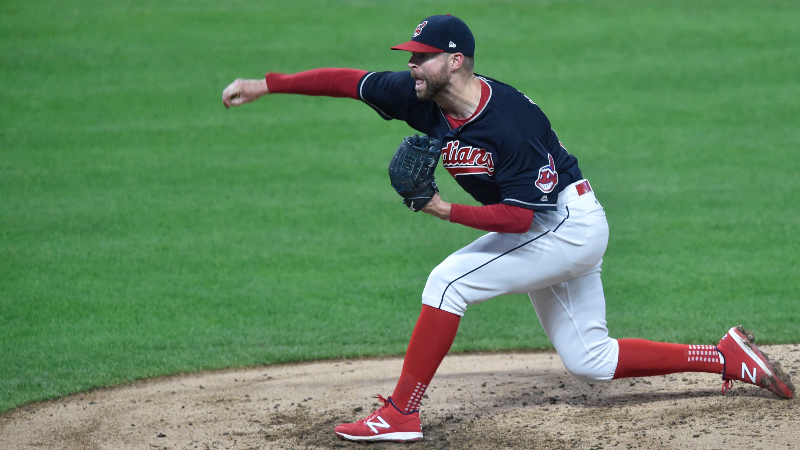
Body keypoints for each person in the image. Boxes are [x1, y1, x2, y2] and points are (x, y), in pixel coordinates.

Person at [222, 14, 795, 443]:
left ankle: (401, 412)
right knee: (589, 359)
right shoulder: (418, 93)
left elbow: (520, 219)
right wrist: (267, 84)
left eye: (422, 56)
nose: (411, 65)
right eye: (411, 55)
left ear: (456, 61)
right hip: (551, 227)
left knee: (449, 282)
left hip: (566, 225)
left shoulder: (512, 123)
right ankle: (726, 356)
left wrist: (442, 210)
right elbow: (349, 81)